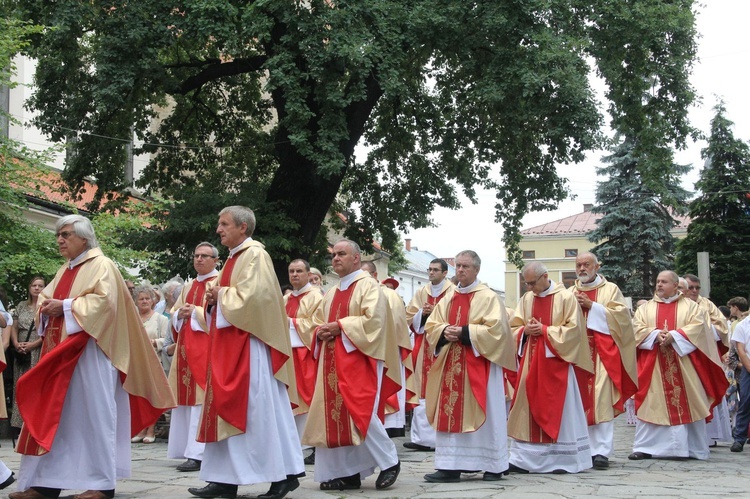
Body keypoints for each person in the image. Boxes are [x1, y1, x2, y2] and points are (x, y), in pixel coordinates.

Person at [11, 214, 174, 499]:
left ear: (84, 237)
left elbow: (106, 305)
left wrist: (64, 306)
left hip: (92, 355)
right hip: (60, 357)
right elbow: (45, 303)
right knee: (56, 418)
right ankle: (46, 483)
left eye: (66, 234)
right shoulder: (64, 270)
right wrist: (48, 308)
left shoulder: (103, 265)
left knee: (94, 417)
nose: (60, 239)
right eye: (58, 235)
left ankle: (101, 485)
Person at [188, 206, 303, 499]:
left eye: (224, 224)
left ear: (242, 227)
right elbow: (228, 295)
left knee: (259, 410)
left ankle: (283, 475)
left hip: (250, 345)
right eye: (219, 224)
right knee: (224, 406)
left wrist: (220, 295)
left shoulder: (256, 255)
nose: (218, 229)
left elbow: (257, 298)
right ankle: (224, 478)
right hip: (229, 344)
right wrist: (215, 298)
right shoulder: (233, 258)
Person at [302, 239, 401, 492]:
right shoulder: (333, 291)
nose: (335, 258)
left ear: (356, 258)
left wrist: (340, 326)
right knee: (335, 414)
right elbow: (316, 322)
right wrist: (320, 333)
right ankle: (348, 473)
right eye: (334, 254)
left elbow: (375, 322)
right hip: (332, 359)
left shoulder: (368, 286)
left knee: (360, 410)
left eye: (341, 254)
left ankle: (390, 461)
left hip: (359, 357)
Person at [422, 250, 516, 483]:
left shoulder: (488, 297)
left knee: (489, 412)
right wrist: (444, 331)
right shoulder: (449, 296)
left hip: (480, 364)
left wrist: (465, 332)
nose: (460, 270)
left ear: (476, 270)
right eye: (458, 266)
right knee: (451, 408)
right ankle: (449, 466)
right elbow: (432, 325)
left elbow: (498, 332)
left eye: (465, 266)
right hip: (451, 363)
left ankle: (492, 465)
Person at [629, 271, 727, 461]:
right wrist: (654, 335)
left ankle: (689, 448)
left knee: (689, 402)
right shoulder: (646, 308)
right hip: (654, 366)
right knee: (652, 402)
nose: (659, 285)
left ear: (675, 286)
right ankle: (646, 447)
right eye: (657, 281)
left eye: (664, 282)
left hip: (685, 365)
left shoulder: (691, 307)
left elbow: (700, 328)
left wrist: (676, 335)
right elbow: (636, 328)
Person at [507, 261, 593, 474]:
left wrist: (544, 330)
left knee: (560, 408)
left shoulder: (565, 297)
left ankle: (563, 459)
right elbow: (514, 327)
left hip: (557, 364)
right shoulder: (527, 299)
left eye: (532, 283)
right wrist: (525, 331)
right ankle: (523, 459)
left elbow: (574, 332)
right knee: (526, 404)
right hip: (530, 361)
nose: (529, 288)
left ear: (545, 276)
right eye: (526, 283)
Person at [572, 253, 638, 469]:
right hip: (576, 355)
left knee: (601, 401)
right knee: (578, 402)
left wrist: (593, 306)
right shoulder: (569, 292)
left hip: (601, 355)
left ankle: (600, 451)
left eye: (586, 264)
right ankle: (580, 448)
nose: (582, 268)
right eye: (579, 265)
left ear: (597, 266)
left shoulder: (610, 290)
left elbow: (622, 319)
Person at [166, 243, 220, 472]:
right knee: (184, 399)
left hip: (207, 348)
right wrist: (180, 314)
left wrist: (195, 312)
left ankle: (198, 453)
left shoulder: (219, 283)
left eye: (204, 256)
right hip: (186, 348)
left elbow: (221, 314)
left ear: (215, 260)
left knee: (200, 399)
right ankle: (183, 449)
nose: (199, 259)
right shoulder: (188, 285)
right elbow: (174, 313)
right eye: (196, 255)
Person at [403, 258, 455, 451]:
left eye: (435, 270)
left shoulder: (452, 292)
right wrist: (423, 315)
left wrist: (435, 313)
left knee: (442, 388)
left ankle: (441, 437)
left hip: (444, 345)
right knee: (422, 388)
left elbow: (455, 317)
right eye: (429, 269)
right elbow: (409, 317)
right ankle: (421, 438)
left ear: (444, 273)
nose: (431, 273)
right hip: (425, 345)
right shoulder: (421, 292)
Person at [360, 261, 412, 435]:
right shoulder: (356, 292)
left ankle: (390, 426)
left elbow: (397, 322)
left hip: (385, 349)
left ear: (375, 276)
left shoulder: (388, 294)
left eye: (365, 274)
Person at [682, 274, 732, 446]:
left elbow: (722, 328)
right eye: (691, 287)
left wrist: (700, 330)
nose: (694, 291)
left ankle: (708, 435)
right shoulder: (677, 305)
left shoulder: (706, 304)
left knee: (705, 392)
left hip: (705, 356)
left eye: (697, 288)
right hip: (681, 356)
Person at [284, 259, 324, 465]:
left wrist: (290, 323)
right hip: (288, 356)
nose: (294, 275)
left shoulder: (316, 297)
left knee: (307, 398)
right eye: (291, 271)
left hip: (306, 355)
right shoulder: (285, 299)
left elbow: (318, 325)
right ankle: (293, 444)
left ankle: (309, 444)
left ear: (309, 275)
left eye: (299, 271)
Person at [130, 285, 171, 444]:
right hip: (135, 363)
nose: (145, 301)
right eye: (141, 299)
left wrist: (154, 342)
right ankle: (140, 429)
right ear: (136, 301)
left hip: (155, 361)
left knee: (152, 396)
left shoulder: (161, 319)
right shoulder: (132, 319)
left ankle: (151, 430)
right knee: (139, 396)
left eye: (147, 298)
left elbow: (167, 340)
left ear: (153, 301)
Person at [10, 277, 46, 435]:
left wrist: (33, 345)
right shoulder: (21, 306)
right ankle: (19, 424)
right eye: (34, 285)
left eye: (40, 286)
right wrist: (16, 343)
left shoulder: (46, 306)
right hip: (21, 349)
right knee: (20, 385)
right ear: (29, 287)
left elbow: (47, 330)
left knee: (35, 386)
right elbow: (14, 326)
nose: (37, 288)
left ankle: (34, 424)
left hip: (37, 348)